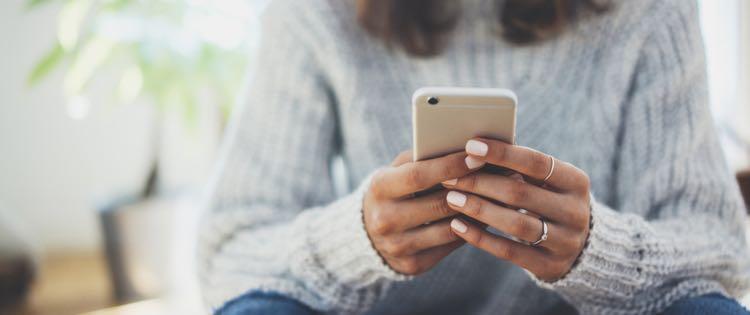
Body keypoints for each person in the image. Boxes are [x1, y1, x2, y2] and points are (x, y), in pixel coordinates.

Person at [198, 0, 750, 313]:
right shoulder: (313, 13)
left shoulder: (650, 12)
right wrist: (358, 239)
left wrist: (596, 251)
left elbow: (718, 249)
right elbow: (230, 251)